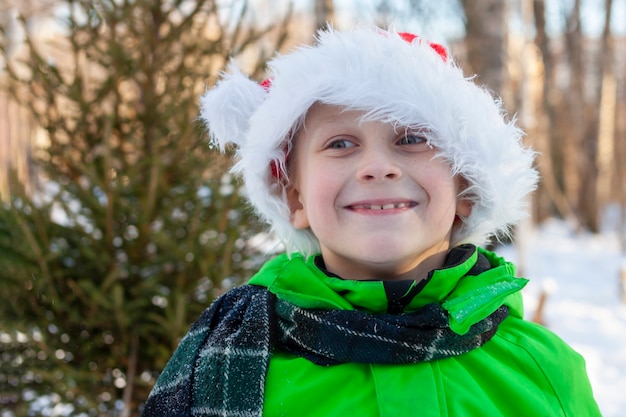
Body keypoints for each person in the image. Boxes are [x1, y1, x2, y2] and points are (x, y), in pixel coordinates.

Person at [142, 28, 601, 417]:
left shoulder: (544, 367)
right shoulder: (235, 364)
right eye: (341, 144)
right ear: (295, 196)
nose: (377, 167)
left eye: (412, 139)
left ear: (466, 187)